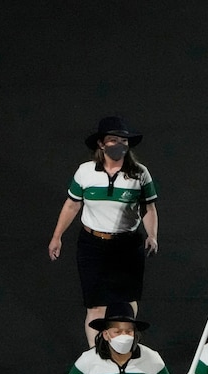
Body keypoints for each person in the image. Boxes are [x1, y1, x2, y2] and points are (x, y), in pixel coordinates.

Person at [48, 116, 160, 347]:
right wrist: (57, 236)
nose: (118, 144)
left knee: (127, 301)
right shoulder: (86, 172)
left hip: (127, 244)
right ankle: (96, 356)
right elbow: (72, 204)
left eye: (123, 140)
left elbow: (148, 207)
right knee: (96, 305)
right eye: (112, 139)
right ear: (101, 144)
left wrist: (152, 235)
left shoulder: (139, 173)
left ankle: (125, 347)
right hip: (93, 244)